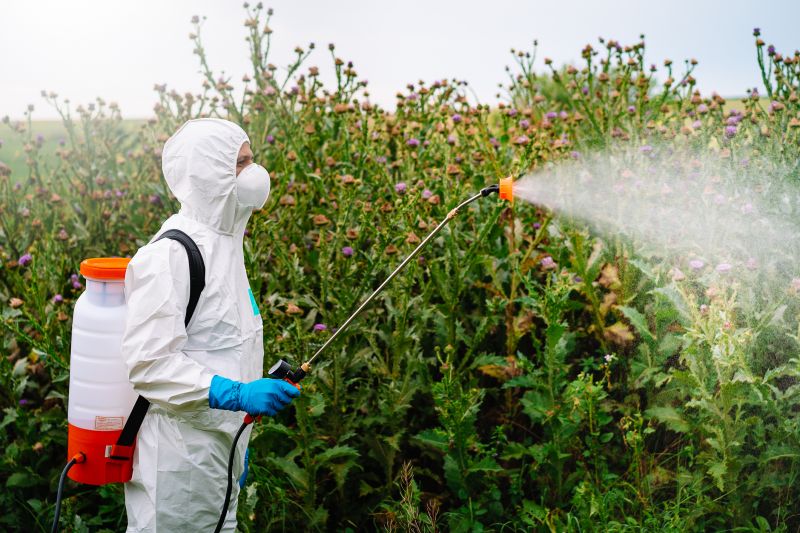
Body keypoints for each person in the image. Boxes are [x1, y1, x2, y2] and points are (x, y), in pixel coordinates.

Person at [121, 118, 300, 532]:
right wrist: (236, 394)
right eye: (239, 164)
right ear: (208, 174)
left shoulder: (225, 244)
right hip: (179, 462)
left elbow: (226, 343)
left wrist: (239, 424)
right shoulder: (170, 255)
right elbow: (149, 365)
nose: (253, 173)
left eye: (251, 159)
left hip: (220, 451)